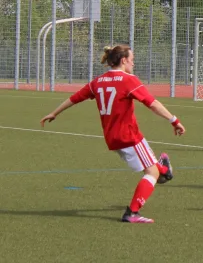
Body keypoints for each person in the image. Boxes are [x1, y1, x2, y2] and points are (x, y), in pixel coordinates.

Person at [40, 45, 186, 224]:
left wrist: (55, 112)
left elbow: (75, 98)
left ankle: (165, 169)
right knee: (152, 173)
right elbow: (152, 103)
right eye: (132, 59)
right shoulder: (128, 80)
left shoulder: (98, 81)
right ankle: (132, 212)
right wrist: (174, 120)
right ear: (123, 60)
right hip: (129, 136)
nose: (133, 62)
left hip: (112, 138)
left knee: (153, 165)